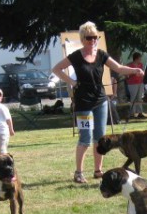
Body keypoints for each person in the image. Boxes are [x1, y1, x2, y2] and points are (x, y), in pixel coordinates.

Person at [51, 21, 139, 184]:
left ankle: (98, 170)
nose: (93, 41)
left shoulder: (101, 54)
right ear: (83, 39)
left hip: (100, 101)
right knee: (85, 138)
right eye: (90, 38)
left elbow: (118, 68)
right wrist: (71, 81)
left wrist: (134, 70)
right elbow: (56, 69)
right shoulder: (76, 56)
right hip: (83, 103)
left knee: (100, 138)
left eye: (95, 38)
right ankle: (78, 172)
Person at [126, 52, 145, 119]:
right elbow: (126, 75)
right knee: (133, 98)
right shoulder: (129, 65)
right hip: (132, 83)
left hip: (140, 83)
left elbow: (142, 72)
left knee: (139, 98)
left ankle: (140, 112)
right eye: (139, 58)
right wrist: (133, 74)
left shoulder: (140, 65)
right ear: (136, 58)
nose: (140, 59)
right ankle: (132, 113)